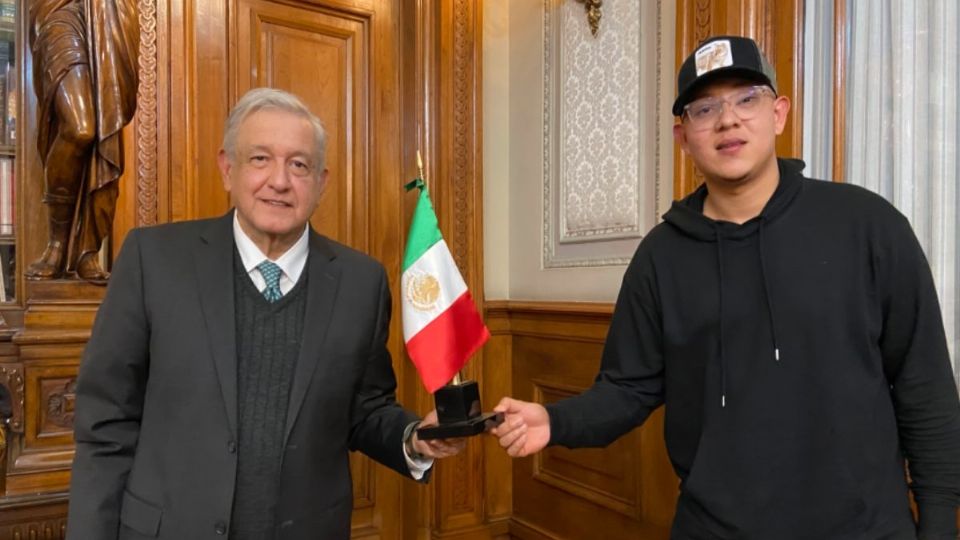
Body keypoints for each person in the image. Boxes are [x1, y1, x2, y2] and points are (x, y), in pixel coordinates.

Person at [491, 35, 960, 539]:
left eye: (746, 99)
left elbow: (924, 387)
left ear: (778, 114)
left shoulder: (868, 225)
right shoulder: (660, 256)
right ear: (683, 137)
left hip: (865, 527)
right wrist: (553, 421)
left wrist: (937, 527)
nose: (728, 120)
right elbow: (627, 389)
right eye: (705, 108)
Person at [66, 88, 465, 539]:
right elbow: (105, 427)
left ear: (321, 183)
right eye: (260, 159)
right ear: (227, 169)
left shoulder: (361, 282)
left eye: (299, 164)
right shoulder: (152, 260)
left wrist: (414, 438)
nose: (279, 180)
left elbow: (365, 410)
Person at [26, 0, 139, 280]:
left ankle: (87, 251)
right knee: (81, 128)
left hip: (111, 14)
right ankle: (57, 242)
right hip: (61, 11)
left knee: (103, 130)